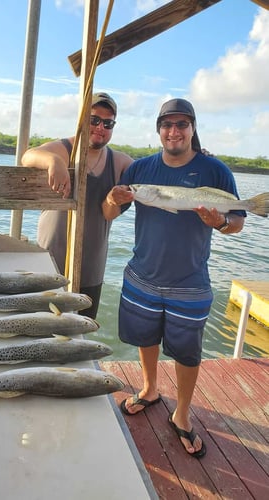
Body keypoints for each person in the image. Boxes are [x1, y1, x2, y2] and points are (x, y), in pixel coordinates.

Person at [102, 98, 246, 458]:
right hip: (142, 276)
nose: (174, 131)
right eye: (167, 125)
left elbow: (238, 221)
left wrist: (221, 223)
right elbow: (109, 212)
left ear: (193, 129)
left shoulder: (215, 170)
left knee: (187, 352)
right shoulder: (141, 168)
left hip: (191, 282)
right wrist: (111, 196)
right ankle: (150, 389)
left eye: (182, 124)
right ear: (159, 130)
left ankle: (182, 413)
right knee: (145, 338)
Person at [21, 92, 133, 318]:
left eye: (107, 123)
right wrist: (54, 161)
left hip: (91, 268)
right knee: (41, 327)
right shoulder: (64, 149)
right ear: (82, 120)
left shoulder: (119, 161)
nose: (100, 127)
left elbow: (152, 172)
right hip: (50, 262)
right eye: (94, 120)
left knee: (80, 331)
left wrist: (193, 156)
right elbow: (28, 156)